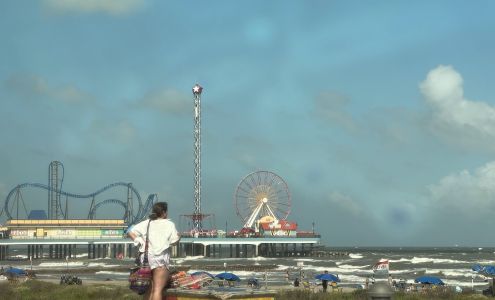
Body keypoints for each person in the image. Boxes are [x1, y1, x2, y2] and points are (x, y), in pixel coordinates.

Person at [128, 202, 180, 300]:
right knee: (157, 290)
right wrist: (179, 238)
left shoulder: (147, 223)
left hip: (146, 259)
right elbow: (174, 242)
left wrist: (139, 241)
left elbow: (130, 231)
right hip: (160, 259)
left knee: (148, 290)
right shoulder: (169, 224)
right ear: (164, 212)